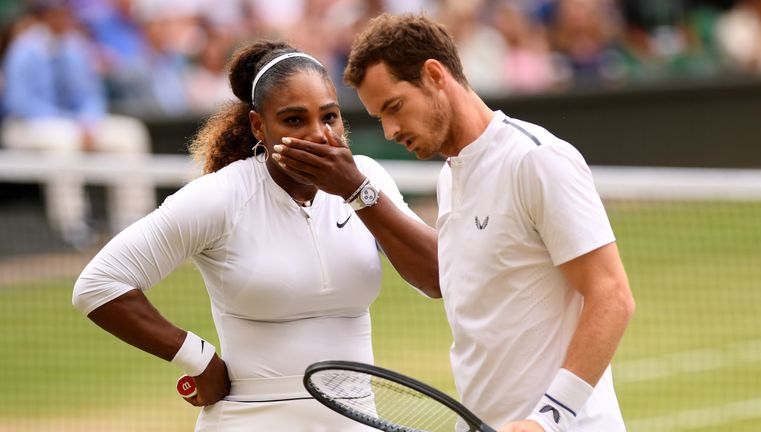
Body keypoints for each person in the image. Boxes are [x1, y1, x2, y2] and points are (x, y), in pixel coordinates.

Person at [72, 38, 439, 431]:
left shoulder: (369, 179)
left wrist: (357, 191)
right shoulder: (221, 196)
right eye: (295, 120)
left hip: (356, 419)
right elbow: (98, 285)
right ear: (258, 126)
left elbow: (437, 278)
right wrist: (199, 360)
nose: (318, 134)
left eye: (329, 117)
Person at [338, 12, 635, 432]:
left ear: (434, 75)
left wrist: (546, 419)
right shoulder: (449, 179)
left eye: (394, 107)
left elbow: (612, 296)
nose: (388, 130)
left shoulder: (536, 159)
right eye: (379, 116)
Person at [0, 0, 154, 248]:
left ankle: (131, 222)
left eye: (65, 13)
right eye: (57, 13)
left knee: (129, 133)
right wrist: (73, 126)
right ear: (44, 16)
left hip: (73, 127)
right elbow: (20, 102)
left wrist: (88, 122)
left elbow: (90, 95)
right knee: (63, 140)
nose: (64, 18)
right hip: (23, 127)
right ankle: (72, 225)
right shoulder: (22, 49)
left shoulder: (76, 47)